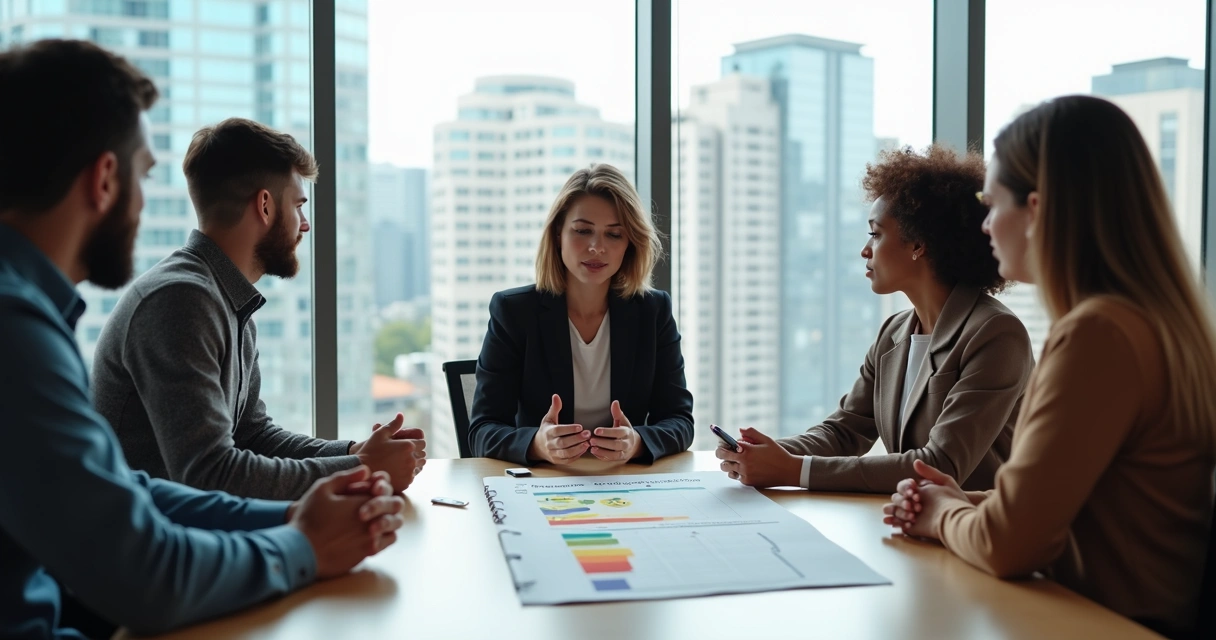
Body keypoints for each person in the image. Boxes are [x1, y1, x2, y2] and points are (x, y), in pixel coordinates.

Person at [0, 39, 406, 639]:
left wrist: (303, 510)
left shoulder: (37, 314)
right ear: (104, 179)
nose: (144, 204)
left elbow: (134, 484)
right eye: (143, 177)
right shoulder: (29, 330)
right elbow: (164, 537)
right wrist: (305, 541)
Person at [884, 95, 1216, 637]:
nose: (986, 225)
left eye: (992, 205)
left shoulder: (1098, 334)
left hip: (1095, 622)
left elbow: (1007, 544)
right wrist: (964, 498)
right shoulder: (1159, 323)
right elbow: (1098, 499)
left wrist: (941, 516)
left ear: (1037, 210)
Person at [91, 117, 426, 500]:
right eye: (298, 205)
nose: (305, 225)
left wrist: (355, 452)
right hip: (138, 550)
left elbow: (252, 435)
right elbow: (210, 473)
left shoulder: (226, 299)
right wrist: (363, 468)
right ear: (265, 205)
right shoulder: (179, 301)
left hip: (187, 534)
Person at [716, 145, 1034, 493]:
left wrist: (793, 470)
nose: (865, 250)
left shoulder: (996, 334)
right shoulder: (894, 332)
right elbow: (845, 431)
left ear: (918, 244)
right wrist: (765, 454)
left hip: (972, 534)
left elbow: (941, 464)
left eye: (876, 233)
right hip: (915, 525)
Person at [469, 164, 693, 466]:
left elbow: (679, 420)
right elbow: (483, 430)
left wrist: (637, 442)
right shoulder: (514, 312)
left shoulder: (653, 311)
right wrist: (537, 444)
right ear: (558, 233)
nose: (597, 247)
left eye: (614, 235)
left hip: (623, 481)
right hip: (544, 483)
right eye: (583, 230)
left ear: (630, 244)